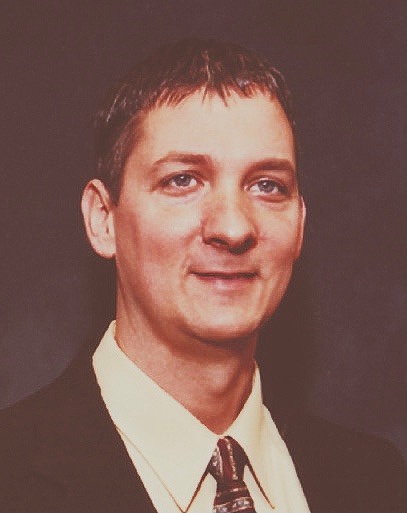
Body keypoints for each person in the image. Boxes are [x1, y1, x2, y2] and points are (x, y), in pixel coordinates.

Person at [0, 38, 405, 513]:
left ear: (300, 224)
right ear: (103, 219)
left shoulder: (379, 482)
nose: (233, 228)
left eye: (267, 185)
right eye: (183, 180)